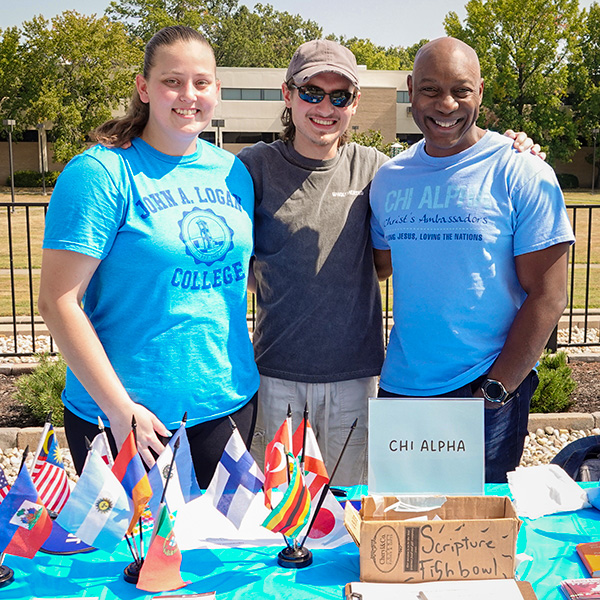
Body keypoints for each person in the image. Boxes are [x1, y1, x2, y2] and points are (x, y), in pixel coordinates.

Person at [238, 39, 541, 485]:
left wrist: (518, 145)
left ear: (355, 102)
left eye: (339, 96)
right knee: (276, 521)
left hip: (358, 380)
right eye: (311, 92)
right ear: (288, 94)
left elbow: (382, 263)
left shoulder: (380, 171)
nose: (325, 106)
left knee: (350, 519)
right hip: (274, 377)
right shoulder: (251, 167)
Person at [38, 25, 259, 488]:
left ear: (217, 90)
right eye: (171, 81)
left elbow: (235, 278)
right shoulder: (100, 173)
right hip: (130, 421)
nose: (188, 95)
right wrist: (121, 412)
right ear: (143, 87)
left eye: (201, 82)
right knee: (139, 559)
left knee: (222, 556)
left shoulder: (233, 171)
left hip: (227, 405)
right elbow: (58, 302)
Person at [369, 37, 575, 483]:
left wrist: (497, 389)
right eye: (430, 89)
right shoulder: (388, 179)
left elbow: (549, 296)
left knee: (476, 540)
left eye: (461, 90)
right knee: (400, 531)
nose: (446, 104)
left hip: (485, 387)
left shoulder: (522, 171)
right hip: (402, 388)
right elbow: (380, 265)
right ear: (410, 90)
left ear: (480, 91)